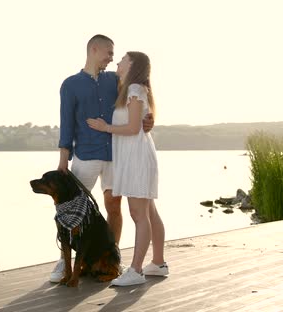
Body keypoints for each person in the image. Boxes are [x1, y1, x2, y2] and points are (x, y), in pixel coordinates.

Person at [52, 34, 154, 283]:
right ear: (94, 49)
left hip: (115, 157)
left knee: (114, 208)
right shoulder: (70, 84)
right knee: (70, 211)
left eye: (113, 55)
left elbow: (138, 98)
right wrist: (63, 160)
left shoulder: (115, 80)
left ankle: (111, 259)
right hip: (85, 157)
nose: (111, 58)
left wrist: (148, 119)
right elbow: (66, 125)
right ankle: (65, 260)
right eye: (109, 53)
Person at [87, 51, 167, 286]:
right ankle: (159, 263)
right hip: (135, 156)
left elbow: (133, 128)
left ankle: (136, 270)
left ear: (132, 65)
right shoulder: (132, 88)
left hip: (137, 158)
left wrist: (105, 127)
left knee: (138, 214)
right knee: (149, 211)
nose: (117, 61)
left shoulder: (134, 89)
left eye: (122, 59)